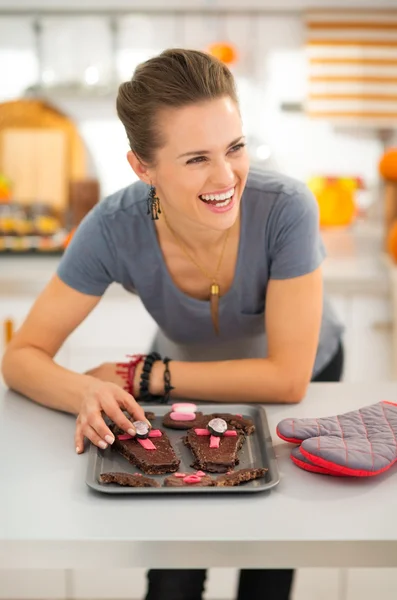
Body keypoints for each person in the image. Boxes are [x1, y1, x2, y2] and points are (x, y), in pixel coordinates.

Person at [1, 48, 344, 600]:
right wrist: (86, 390)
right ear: (143, 167)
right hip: (180, 377)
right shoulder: (113, 228)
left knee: (268, 562)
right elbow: (21, 357)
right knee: (173, 574)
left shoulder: (287, 210)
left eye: (235, 147)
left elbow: (286, 379)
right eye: (195, 159)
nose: (225, 175)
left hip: (273, 377)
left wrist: (144, 378)